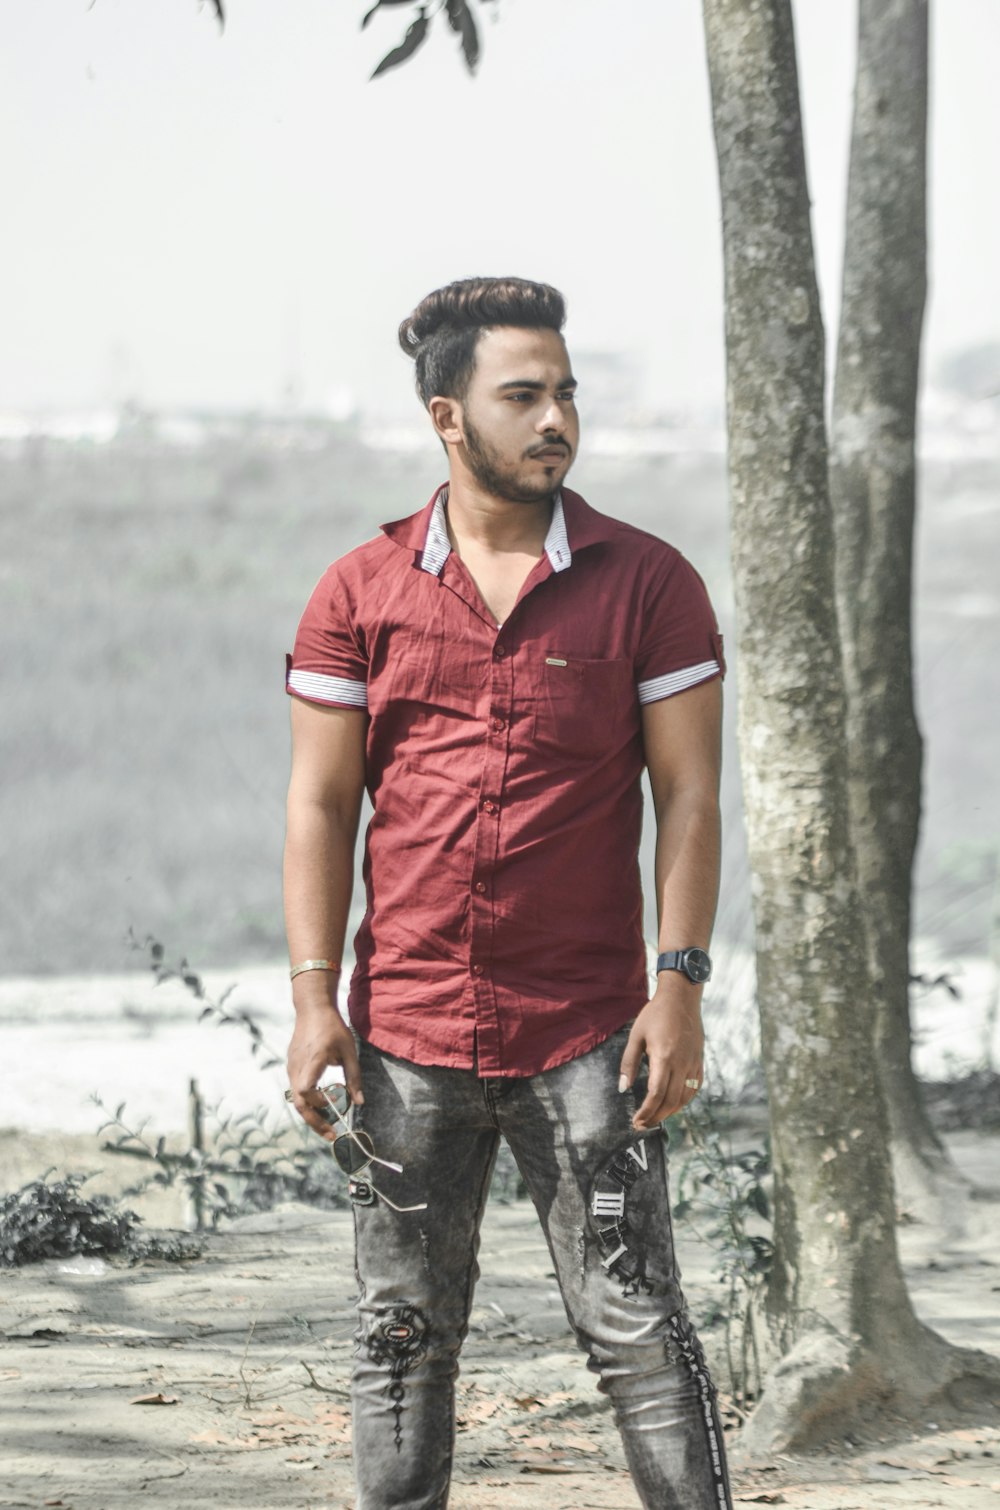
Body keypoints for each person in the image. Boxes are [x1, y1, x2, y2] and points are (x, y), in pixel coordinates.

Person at [283, 276, 732, 1509]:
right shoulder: (359, 590)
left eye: (566, 394)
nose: (556, 421)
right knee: (398, 1344)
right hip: (407, 1031)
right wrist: (316, 997)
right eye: (522, 395)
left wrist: (677, 983)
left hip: (586, 1029)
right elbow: (321, 807)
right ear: (446, 416)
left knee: (638, 1333)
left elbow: (688, 798)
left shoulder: (648, 583)